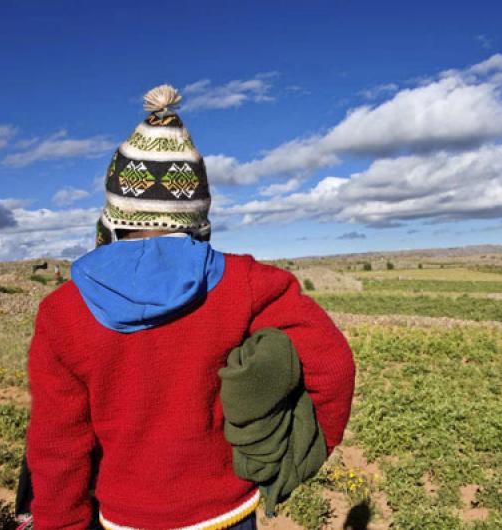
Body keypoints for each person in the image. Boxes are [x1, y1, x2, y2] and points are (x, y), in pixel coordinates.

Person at [24, 85, 356, 530]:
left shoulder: (62, 311)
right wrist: (297, 455)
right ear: (197, 209)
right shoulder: (246, 283)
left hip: (125, 516)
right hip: (225, 511)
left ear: (115, 210)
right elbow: (332, 364)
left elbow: (57, 444)